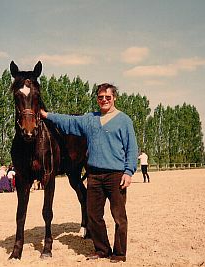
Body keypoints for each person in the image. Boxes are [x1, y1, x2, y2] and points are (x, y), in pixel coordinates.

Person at [40, 83, 138, 263]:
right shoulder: (90, 119)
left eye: (107, 97)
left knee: (119, 216)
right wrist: (47, 115)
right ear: (97, 99)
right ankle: (102, 249)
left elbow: (132, 148)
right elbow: (69, 121)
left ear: (114, 98)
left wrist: (128, 171)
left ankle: (119, 253)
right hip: (94, 175)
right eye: (101, 97)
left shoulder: (124, 120)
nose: (104, 100)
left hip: (116, 175)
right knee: (93, 216)